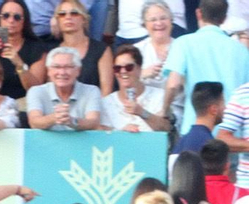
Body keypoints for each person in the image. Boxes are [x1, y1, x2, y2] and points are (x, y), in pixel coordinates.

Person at [163, 0, 249, 132]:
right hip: (230, 133)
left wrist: (164, 109)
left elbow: (173, 85)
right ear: (224, 18)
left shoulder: (183, 43)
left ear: (198, 13)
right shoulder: (242, 51)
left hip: (196, 128)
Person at [31, 0, 110, 95]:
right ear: (57, 21)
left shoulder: (101, 50)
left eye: (74, 13)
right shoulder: (51, 52)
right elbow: (48, 91)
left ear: (84, 19)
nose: (68, 17)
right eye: (62, 14)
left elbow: (106, 93)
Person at [26, 46, 105, 128]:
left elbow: (94, 122)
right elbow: (34, 122)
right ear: (48, 71)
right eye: (56, 67)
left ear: (78, 71)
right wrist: (54, 118)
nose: (62, 72)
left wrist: (72, 121)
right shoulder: (36, 91)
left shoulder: (91, 91)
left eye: (68, 67)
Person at [103, 44, 170, 132]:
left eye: (129, 67)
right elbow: (101, 133)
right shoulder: (106, 103)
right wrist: (121, 132)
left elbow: (166, 127)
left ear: (139, 68)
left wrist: (142, 112)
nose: (123, 71)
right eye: (117, 68)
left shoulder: (160, 96)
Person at [0, 0, 46, 100]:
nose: (11, 20)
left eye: (17, 17)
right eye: (6, 16)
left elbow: (36, 89)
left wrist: (19, 64)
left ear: (24, 21)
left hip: (24, 105)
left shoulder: (36, 48)